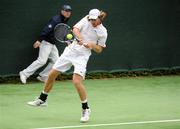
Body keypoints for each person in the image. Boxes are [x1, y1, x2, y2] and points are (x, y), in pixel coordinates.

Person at [27, 9, 108, 122]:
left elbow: (99, 49)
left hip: (82, 56)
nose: (92, 21)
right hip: (70, 50)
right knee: (52, 74)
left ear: (100, 18)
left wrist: (91, 45)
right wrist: (80, 39)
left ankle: (86, 109)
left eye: (94, 20)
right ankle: (43, 99)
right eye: (91, 19)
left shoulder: (103, 32)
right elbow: (75, 28)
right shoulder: (86, 19)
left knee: (76, 81)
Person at [19, 5, 72, 84]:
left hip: (52, 44)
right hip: (46, 42)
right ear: (62, 11)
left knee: (56, 61)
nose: (68, 13)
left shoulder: (65, 20)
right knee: (42, 61)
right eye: (66, 11)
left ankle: (43, 76)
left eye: (69, 11)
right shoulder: (56, 19)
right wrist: (39, 40)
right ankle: (24, 73)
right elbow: (46, 30)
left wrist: (67, 41)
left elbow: (60, 32)